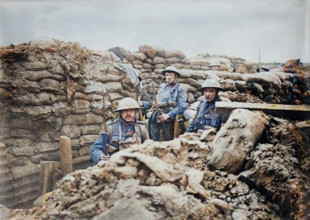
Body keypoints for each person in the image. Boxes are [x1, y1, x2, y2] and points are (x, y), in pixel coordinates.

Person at [91, 97, 149, 163]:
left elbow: (149, 147)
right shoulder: (110, 128)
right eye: (125, 110)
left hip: (136, 164)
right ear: (120, 112)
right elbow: (95, 148)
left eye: (131, 110)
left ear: (135, 111)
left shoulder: (141, 128)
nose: (128, 113)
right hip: (116, 164)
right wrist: (100, 156)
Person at [148, 66, 187, 141]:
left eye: (171, 75)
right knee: (153, 138)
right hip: (156, 115)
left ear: (176, 76)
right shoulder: (162, 87)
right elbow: (156, 101)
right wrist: (151, 111)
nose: (168, 77)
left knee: (167, 141)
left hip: (169, 118)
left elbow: (182, 107)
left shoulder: (180, 89)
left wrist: (168, 115)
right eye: (166, 75)